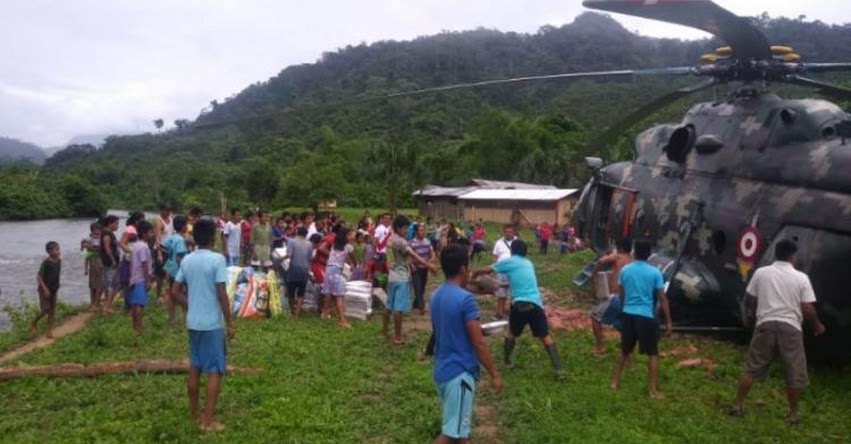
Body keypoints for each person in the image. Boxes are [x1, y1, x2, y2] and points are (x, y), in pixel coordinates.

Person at [729, 239, 826, 424]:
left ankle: (737, 405)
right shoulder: (801, 278)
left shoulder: (761, 273)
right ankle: (793, 415)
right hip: (790, 327)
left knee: (752, 367)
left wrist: (754, 316)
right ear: (793, 256)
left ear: (776, 253)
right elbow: (807, 307)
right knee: (794, 372)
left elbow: (752, 299)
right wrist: (817, 325)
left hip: (765, 323)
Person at [430, 244, 502, 444]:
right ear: (463, 268)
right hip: (459, 372)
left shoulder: (435, 295)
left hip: (442, 369)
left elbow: (446, 328)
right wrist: (494, 373)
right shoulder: (466, 300)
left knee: (461, 433)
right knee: (450, 434)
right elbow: (478, 342)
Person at [171, 219, 235, 432]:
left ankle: (194, 412)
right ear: (212, 237)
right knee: (215, 370)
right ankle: (208, 421)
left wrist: (191, 305)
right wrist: (230, 323)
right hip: (211, 325)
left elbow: (174, 291)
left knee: (195, 367)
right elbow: (222, 294)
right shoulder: (217, 260)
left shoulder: (187, 260)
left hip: (193, 323)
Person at [473, 239, 566, 379]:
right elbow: (518, 281)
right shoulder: (528, 263)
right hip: (536, 304)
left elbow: (486, 270)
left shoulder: (511, 261)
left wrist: (474, 274)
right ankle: (559, 369)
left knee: (511, 333)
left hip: (520, 304)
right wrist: (501, 285)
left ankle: (507, 362)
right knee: (545, 336)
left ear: (512, 250)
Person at [610, 239, 672, 399]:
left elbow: (620, 293)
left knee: (624, 350)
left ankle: (615, 382)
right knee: (653, 354)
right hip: (645, 316)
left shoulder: (625, 271)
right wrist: (669, 321)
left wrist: (624, 309)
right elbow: (662, 298)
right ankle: (652, 390)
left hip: (628, 314)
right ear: (649, 254)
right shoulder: (655, 272)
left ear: (635, 252)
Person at [383, 215, 437, 345]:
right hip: (401, 277)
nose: (407, 231)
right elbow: (413, 255)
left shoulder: (390, 240)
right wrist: (428, 265)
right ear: (399, 228)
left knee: (389, 306)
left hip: (392, 276)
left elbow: (399, 257)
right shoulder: (401, 241)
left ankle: (384, 331)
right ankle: (398, 337)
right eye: (406, 228)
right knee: (398, 309)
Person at [590, 238, 632, 355]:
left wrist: (594, 275)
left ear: (621, 248)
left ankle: (600, 346)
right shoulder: (631, 260)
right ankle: (628, 355)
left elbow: (601, 261)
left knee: (595, 316)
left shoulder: (618, 257)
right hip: (627, 298)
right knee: (620, 324)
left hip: (616, 297)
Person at [323, 227, 357, 328]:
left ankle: (325, 313)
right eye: (350, 235)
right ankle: (342, 320)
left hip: (328, 269)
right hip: (337, 271)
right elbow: (353, 258)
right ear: (345, 236)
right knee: (340, 296)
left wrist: (349, 262)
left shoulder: (335, 245)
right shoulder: (349, 247)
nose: (352, 237)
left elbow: (342, 256)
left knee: (328, 292)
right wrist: (354, 264)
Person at [163, 215, 189, 326]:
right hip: (179, 272)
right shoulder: (180, 240)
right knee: (182, 294)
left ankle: (172, 319)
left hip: (170, 269)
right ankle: (185, 318)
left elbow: (162, 247)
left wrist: (168, 264)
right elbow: (179, 257)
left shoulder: (171, 237)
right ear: (183, 227)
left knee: (171, 294)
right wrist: (184, 272)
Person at [128, 221, 154, 335]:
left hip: (134, 278)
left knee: (135, 304)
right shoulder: (143, 247)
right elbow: (144, 264)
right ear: (144, 234)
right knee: (140, 304)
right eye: (150, 232)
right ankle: (139, 327)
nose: (153, 234)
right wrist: (147, 281)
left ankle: (135, 326)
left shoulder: (136, 245)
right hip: (140, 279)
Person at [32, 241, 61, 338]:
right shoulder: (46, 262)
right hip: (44, 289)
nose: (58, 251)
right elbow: (39, 277)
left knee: (52, 311)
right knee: (45, 309)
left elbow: (57, 274)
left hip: (54, 289)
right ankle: (34, 323)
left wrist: (57, 286)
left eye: (58, 249)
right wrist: (45, 289)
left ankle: (49, 330)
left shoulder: (59, 261)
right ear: (49, 252)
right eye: (56, 249)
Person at [284, 227, 313, 317]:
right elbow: (310, 258)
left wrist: (280, 259)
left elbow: (289, 254)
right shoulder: (309, 244)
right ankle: (297, 313)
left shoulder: (291, 241)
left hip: (293, 268)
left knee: (291, 292)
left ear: (297, 232)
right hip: (304, 270)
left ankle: (292, 310)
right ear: (306, 234)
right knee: (301, 293)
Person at [409, 223, 436, 316]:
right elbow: (409, 256)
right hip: (415, 268)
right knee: (417, 287)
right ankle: (422, 307)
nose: (423, 232)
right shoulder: (411, 242)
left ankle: (415, 304)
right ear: (416, 232)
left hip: (425, 268)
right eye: (420, 230)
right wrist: (412, 266)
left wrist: (431, 260)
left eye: (423, 230)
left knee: (422, 288)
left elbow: (432, 252)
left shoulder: (427, 241)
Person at [491, 224, 516, 320]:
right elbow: (495, 256)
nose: (508, 233)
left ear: (514, 232)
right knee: (501, 293)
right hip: (501, 272)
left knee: (514, 293)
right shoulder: (498, 242)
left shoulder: (517, 242)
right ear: (503, 232)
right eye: (506, 232)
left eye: (510, 232)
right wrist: (493, 269)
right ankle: (499, 313)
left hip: (513, 271)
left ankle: (514, 313)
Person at [99, 215, 121, 314]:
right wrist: (113, 260)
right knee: (111, 284)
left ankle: (106, 305)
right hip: (109, 263)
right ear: (110, 223)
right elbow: (108, 249)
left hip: (109, 262)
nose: (117, 226)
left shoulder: (109, 233)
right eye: (116, 224)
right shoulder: (107, 235)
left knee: (109, 283)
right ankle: (107, 307)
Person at [153, 203, 174, 302]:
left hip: (169, 250)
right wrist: (159, 254)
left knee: (169, 272)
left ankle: (168, 294)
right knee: (160, 274)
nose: (167, 212)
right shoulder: (158, 221)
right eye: (165, 210)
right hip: (161, 249)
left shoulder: (171, 218)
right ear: (161, 210)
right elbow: (157, 238)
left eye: (169, 210)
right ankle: (158, 295)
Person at [81, 221, 103, 311]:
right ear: (92, 231)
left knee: (98, 284)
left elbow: (96, 248)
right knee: (94, 284)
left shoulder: (101, 238)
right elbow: (83, 247)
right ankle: (93, 303)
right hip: (93, 262)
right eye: (95, 230)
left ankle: (96, 303)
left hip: (99, 261)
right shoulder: (89, 238)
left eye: (98, 230)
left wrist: (92, 247)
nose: (97, 232)